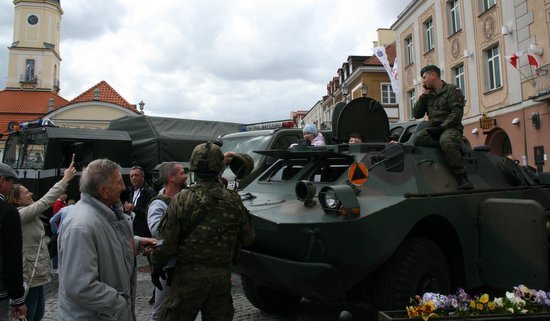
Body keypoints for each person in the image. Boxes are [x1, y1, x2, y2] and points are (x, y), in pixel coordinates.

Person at [151, 142, 255, 321]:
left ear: (193, 167)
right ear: (220, 168)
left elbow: (167, 242)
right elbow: (248, 237)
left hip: (188, 278)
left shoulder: (182, 198)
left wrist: (156, 266)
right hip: (221, 278)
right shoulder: (234, 200)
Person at [57, 159, 156, 321]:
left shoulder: (104, 214)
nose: (124, 187)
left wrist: (135, 243)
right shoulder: (81, 226)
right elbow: (80, 286)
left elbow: (106, 241)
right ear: (103, 191)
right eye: (119, 182)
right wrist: (119, 303)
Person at [7, 161, 77, 321]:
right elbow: (44, 202)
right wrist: (65, 180)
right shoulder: (19, 215)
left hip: (37, 276)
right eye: (26, 193)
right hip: (28, 278)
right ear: (16, 200)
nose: (30, 193)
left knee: (37, 316)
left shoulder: (27, 214)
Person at [413, 64, 473, 190]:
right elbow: (417, 114)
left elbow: (456, 113)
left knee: (446, 140)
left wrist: (442, 127)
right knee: (418, 138)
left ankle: (462, 176)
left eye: (424, 77)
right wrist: (423, 96)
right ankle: (454, 147)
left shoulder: (452, 90)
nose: (423, 81)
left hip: (451, 128)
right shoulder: (428, 95)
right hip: (434, 129)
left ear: (433, 75)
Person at [147, 162, 187, 321]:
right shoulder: (159, 203)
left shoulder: (185, 197)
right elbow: (156, 230)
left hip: (184, 264)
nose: (185, 176)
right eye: (182, 173)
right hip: (168, 267)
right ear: (171, 177)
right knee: (161, 311)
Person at [0, 163, 27, 321]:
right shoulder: (7, 212)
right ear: (2, 180)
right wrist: (18, 299)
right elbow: (12, 256)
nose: (13, 187)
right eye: (12, 183)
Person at [124, 166, 156, 238]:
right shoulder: (131, 191)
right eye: (132, 176)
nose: (134, 178)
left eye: (136, 175)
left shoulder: (150, 193)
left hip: (144, 234)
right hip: (133, 231)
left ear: (142, 177)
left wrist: (134, 208)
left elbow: (150, 214)